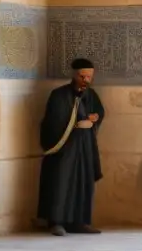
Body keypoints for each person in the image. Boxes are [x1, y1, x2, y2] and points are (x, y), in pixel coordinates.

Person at [36, 58, 106, 237]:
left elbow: (99, 111)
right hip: (65, 148)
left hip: (85, 147)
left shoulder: (91, 95)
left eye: (89, 76)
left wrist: (94, 119)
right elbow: (53, 121)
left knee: (83, 182)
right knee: (61, 182)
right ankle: (56, 222)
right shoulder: (59, 95)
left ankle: (80, 222)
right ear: (74, 75)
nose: (86, 80)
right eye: (82, 76)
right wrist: (76, 124)